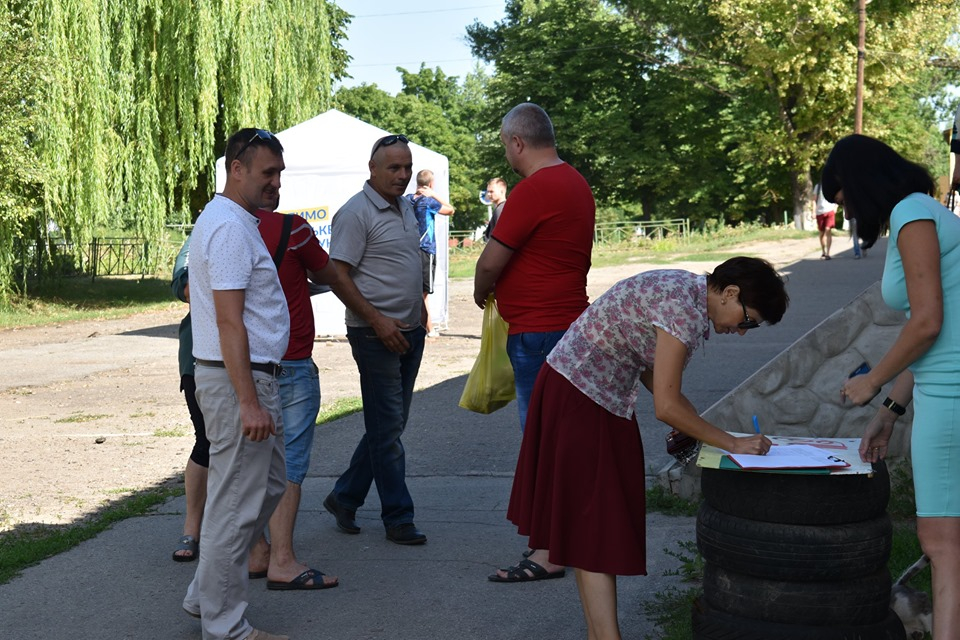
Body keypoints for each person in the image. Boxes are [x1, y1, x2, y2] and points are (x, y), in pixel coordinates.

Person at [508, 257, 786, 638]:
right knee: (594, 526)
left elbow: (656, 381)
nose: (742, 331)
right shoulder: (684, 311)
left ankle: (602, 636)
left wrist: (709, 432)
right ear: (730, 293)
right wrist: (731, 441)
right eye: (748, 320)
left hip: (583, 392)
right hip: (581, 398)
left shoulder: (686, 290)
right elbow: (666, 406)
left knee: (591, 526)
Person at [830, 134, 960, 640]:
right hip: (939, 387)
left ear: (859, 181)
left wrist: (870, 383)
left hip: (951, 395)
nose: (843, 208)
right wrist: (888, 412)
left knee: (942, 544)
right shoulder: (923, 211)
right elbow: (933, 333)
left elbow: (926, 324)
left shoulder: (911, 215)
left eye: (840, 194)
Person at [474, 102, 595, 582]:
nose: (507, 152)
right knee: (557, 439)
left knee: (542, 443)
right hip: (568, 325)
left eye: (506, 144)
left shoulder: (533, 190)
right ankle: (557, 540)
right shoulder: (575, 183)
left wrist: (484, 293)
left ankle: (548, 551)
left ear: (517, 142)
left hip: (538, 332)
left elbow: (489, 262)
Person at [181, 128, 290, 640]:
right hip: (236, 383)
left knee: (265, 486)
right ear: (236, 168)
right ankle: (226, 628)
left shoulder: (234, 221)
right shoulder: (228, 227)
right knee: (235, 502)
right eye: (268, 173)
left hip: (243, 379)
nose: (276, 183)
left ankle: (207, 594)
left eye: (280, 174)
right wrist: (248, 400)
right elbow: (229, 321)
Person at [323, 134, 429, 546]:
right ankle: (398, 517)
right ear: (372, 168)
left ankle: (345, 496)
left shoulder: (405, 207)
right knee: (388, 429)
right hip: (373, 334)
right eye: (393, 168)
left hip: (409, 330)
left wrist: (418, 305)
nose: (402, 175)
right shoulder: (355, 212)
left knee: (390, 423)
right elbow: (337, 275)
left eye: (406, 167)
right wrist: (377, 320)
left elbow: (407, 261)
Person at [246, 209, 341, 590]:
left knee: (250, 463)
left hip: (243, 365)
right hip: (292, 361)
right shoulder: (293, 228)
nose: (276, 181)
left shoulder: (219, 228)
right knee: (290, 464)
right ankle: (282, 561)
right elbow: (329, 274)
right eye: (271, 173)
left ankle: (256, 552)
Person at [170, 234, 209, 564]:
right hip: (199, 357)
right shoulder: (201, 234)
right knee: (206, 441)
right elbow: (183, 286)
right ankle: (192, 529)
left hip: (259, 357)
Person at [406, 169, 454, 337]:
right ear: (431, 184)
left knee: (414, 290)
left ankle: (419, 327)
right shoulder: (428, 201)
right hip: (426, 249)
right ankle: (429, 329)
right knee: (423, 293)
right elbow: (450, 209)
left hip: (409, 250)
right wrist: (434, 194)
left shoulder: (407, 199)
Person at [481, 177, 507, 242]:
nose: (489, 194)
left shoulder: (501, 209)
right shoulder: (503, 207)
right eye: (488, 191)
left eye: (491, 191)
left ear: (502, 191)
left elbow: (501, 236)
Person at [814, 182, 836, 259]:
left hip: (830, 210)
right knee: (821, 233)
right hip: (820, 212)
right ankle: (823, 251)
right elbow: (814, 200)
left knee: (828, 230)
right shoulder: (818, 186)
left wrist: (835, 207)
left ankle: (828, 253)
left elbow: (836, 197)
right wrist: (813, 211)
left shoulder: (832, 185)